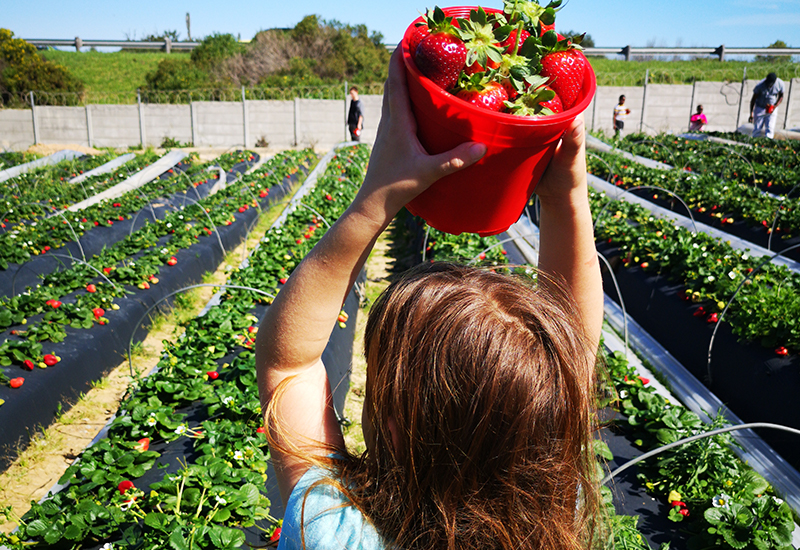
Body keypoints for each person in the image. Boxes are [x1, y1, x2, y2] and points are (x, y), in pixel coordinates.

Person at [255, 48, 604, 550]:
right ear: (544, 424)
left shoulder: (336, 531)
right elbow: (574, 345)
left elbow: (288, 363)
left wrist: (377, 194)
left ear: (397, 424)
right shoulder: (551, 509)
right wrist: (566, 194)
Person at [749, 72, 785, 139]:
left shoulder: (780, 84)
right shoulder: (760, 86)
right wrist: (751, 113)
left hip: (771, 108)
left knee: (770, 127)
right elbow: (753, 100)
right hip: (760, 107)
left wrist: (775, 106)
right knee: (757, 127)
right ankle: (755, 141)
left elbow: (781, 96)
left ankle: (768, 141)